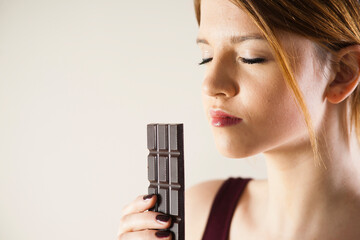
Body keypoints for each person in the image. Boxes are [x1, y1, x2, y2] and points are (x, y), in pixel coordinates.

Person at [117, 0, 360, 239]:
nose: (210, 85)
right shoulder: (191, 218)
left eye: (250, 57)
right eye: (206, 56)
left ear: (342, 73)